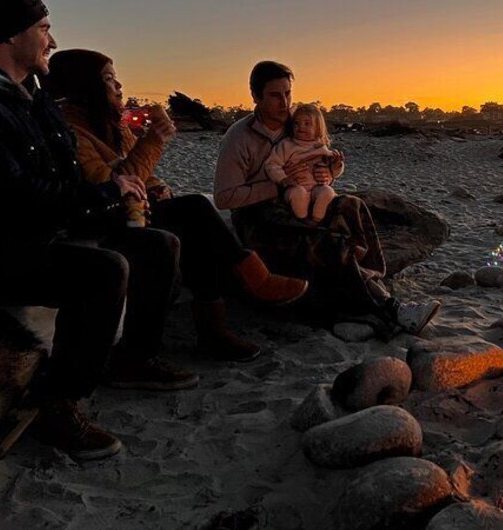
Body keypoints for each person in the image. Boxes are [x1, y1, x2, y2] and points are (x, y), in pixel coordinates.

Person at [0, 0, 196, 460]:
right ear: (11, 34)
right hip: (1, 245)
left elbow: (70, 172)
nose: (51, 41)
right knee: (103, 270)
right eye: (44, 27)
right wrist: (103, 195)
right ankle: (59, 403)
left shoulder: (32, 95)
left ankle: (133, 358)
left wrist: (114, 193)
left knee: (157, 243)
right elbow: (16, 194)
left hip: (51, 225)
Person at [44, 49, 310, 362]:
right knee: (195, 210)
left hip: (134, 208)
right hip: (104, 216)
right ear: (84, 86)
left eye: (116, 77)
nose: (118, 86)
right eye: (108, 79)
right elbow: (110, 183)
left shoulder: (111, 124)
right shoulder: (73, 131)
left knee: (196, 224)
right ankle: (247, 285)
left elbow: (144, 175)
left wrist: (160, 186)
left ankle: (216, 327)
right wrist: (153, 141)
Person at [214, 61, 440, 334]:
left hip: (305, 199)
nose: (284, 102)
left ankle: (367, 277)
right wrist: (280, 186)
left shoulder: (297, 125)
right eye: (275, 95)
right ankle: (389, 309)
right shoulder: (239, 137)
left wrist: (329, 173)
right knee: (326, 241)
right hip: (259, 213)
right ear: (256, 97)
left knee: (352, 206)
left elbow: (318, 160)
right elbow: (224, 197)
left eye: (288, 93)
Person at [264, 103, 342, 224]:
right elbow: (272, 164)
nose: (301, 127)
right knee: (298, 194)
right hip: (295, 186)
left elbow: (333, 171)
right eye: (296, 123)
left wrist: (337, 167)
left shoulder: (321, 147)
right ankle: (302, 220)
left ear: (318, 128)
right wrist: (283, 179)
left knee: (327, 192)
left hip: (317, 187)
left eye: (307, 124)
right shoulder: (287, 145)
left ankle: (317, 220)